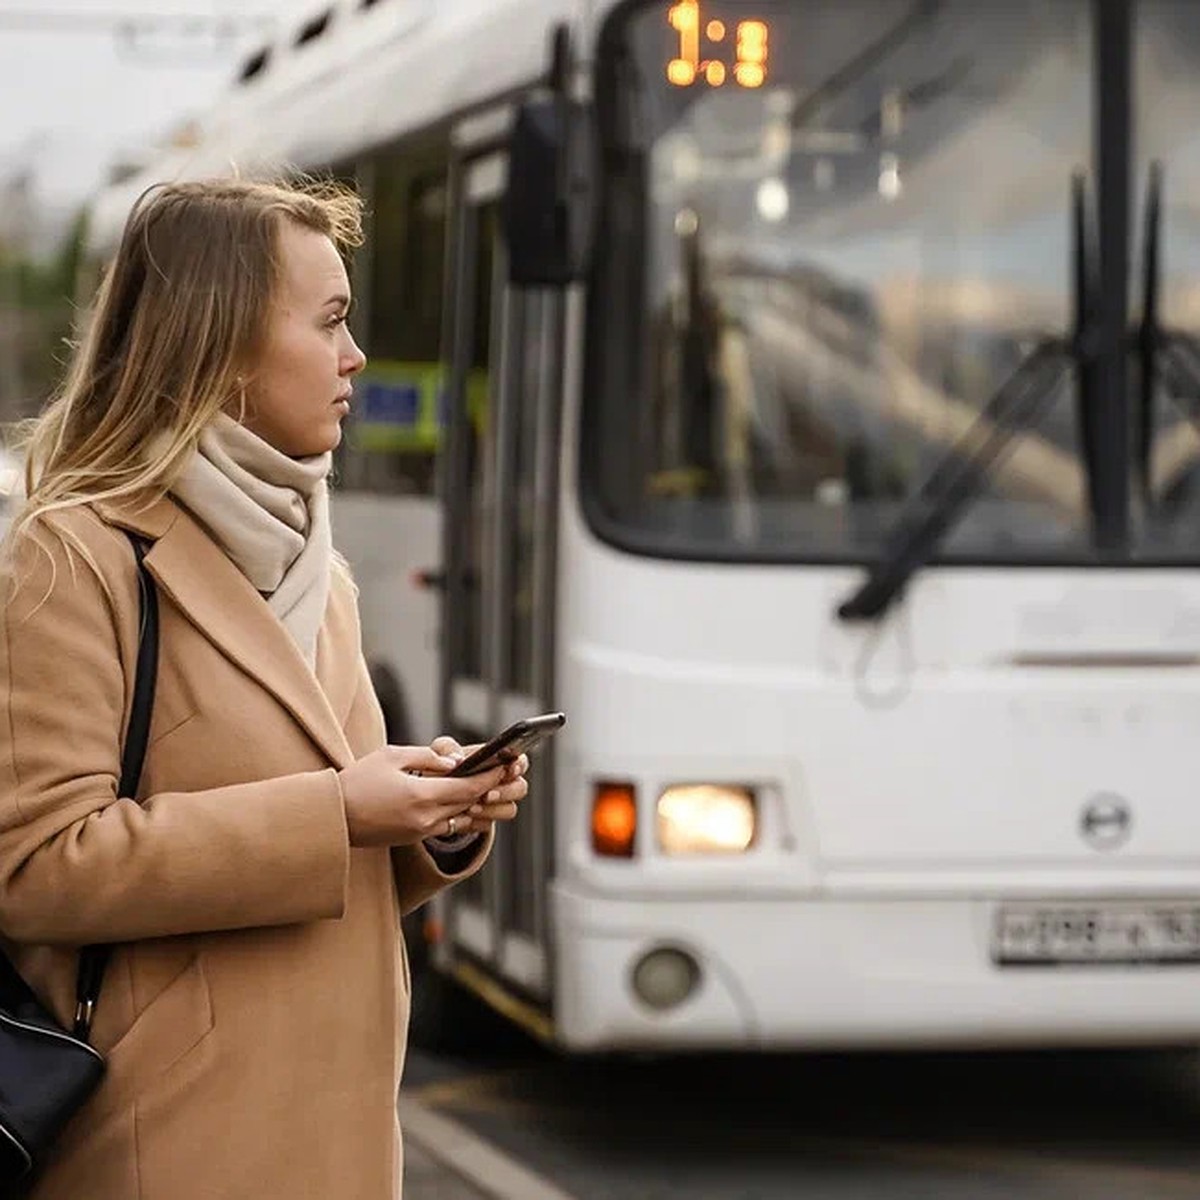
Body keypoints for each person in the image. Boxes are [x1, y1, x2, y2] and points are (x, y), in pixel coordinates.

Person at [0, 177, 527, 1199]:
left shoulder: (318, 572)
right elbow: (36, 867)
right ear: (224, 346)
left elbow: (346, 835)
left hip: (338, 1138)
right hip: (164, 1139)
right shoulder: (71, 557)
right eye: (330, 322)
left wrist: (434, 818)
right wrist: (337, 813)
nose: (356, 357)